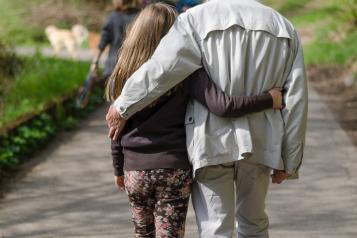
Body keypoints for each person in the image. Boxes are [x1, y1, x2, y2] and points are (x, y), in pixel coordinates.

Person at [106, 0, 308, 237]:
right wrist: (290, 160)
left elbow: (162, 69)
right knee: (254, 224)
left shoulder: (194, 20)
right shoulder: (282, 26)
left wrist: (123, 105)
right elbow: (296, 98)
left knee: (216, 228)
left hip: (211, 141)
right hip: (261, 140)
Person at [91, 0, 141, 79]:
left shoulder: (113, 17)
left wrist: (95, 63)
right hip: (134, 67)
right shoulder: (141, 16)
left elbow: (102, 42)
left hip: (113, 67)